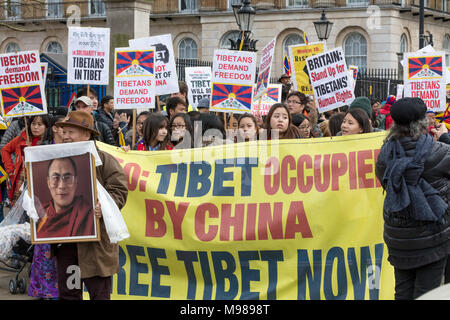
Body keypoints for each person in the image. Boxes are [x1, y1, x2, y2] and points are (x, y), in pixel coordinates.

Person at [375, 97, 450, 300]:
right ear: (424, 122)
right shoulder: (439, 152)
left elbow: (385, 183)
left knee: (403, 291)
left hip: (399, 237)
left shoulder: (385, 154)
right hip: (433, 236)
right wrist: (445, 138)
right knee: (428, 293)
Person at [53, 110, 128, 300]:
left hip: (96, 243)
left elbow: (119, 190)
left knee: (99, 294)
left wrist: (103, 207)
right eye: (64, 132)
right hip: (67, 242)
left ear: (87, 134)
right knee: (69, 294)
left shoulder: (104, 160)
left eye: (71, 132)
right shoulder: (54, 161)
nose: (66, 136)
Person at [36, 157, 95, 238]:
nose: (61, 186)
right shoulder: (38, 215)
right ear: (48, 183)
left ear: (76, 181)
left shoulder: (89, 215)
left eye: (67, 178)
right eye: (55, 178)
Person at [1, 115, 49, 205]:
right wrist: (10, 168)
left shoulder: (49, 142)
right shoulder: (21, 138)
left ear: (46, 127)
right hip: (21, 180)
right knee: (19, 209)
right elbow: (5, 150)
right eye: (33, 124)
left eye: (40, 124)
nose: (35, 127)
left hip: (40, 182)